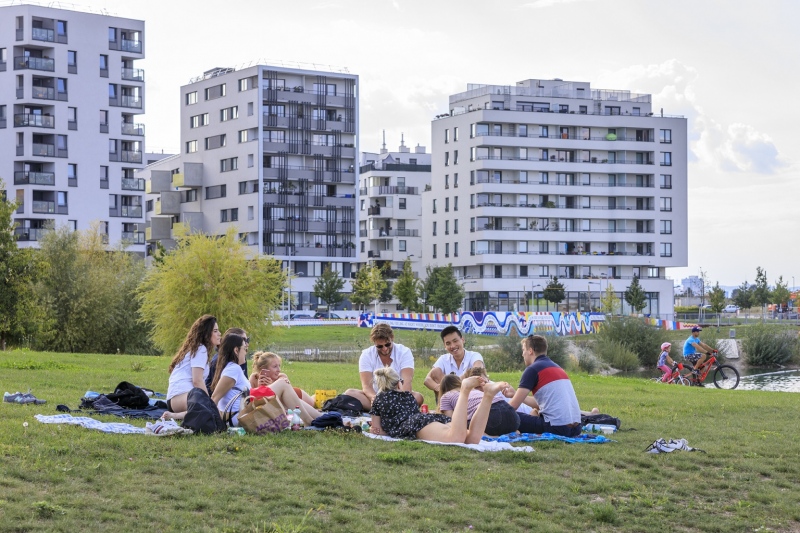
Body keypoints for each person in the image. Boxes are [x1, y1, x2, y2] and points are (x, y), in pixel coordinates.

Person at [370, 367, 507, 444]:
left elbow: (376, 429)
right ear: (398, 383)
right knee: (471, 439)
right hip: (427, 419)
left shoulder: (379, 399)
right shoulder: (408, 395)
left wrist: (381, 429)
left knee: (454, 439)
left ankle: (465, 389)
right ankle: (487, 396)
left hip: (414, 425)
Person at [504, 335, 582, 437]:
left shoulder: (532, 369)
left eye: (523, 350)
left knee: (507, 417)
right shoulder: (557, 368)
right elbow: (542, 403)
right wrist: (515, 394)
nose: (523, 354)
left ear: (530, 351)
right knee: (535, 411)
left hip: (557, 428)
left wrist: (493, 411)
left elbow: (512, 407)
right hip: (576, 429)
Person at [344, 323, 422, 410]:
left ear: (392, 337)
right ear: (374, 343)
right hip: (377, 396)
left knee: (418, 397)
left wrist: (400, 400)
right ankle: (389, 409)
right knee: (350, 393)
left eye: (387, 344)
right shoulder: (366, 354)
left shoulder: (404, 352)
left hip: (398, 397)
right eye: (380, 346)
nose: (384, 349)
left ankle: (382, 410)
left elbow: (407, 382)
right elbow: (366, 386)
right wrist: (374, 398)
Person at [163, 315, 221, 419]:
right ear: (207, 333)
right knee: (209, 409)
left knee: (210, 408)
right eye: (215, 331)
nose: (219, 334)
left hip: (176, 399)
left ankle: (178, 414)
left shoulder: (197, 348)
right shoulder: (201, 349)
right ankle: (175, 416)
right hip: (180, 398)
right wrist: (210, 403)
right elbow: (197, 381)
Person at [437, 369, 520, 437]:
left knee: (462, 425)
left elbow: (451, 420)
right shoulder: (473, 390)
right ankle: (510, 431)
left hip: (492, 417)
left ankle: (489, 436)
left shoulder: (446, 396)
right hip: (513, 417)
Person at [423, 325, 484, 399]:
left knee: (475, 374)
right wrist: (439, 388)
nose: (452, 346)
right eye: (448, 343)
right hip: (450, 397)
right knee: (436, 371)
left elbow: (478, 371)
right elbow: (427, 380)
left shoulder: (474, 356)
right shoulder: (443, 359)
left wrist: (453, 385)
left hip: (470, 396)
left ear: (462, 340)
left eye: (455, 341)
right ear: (445, 346)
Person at [209, 333, 250, 426]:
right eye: (244, 349)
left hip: (237, 416)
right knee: (281, 385)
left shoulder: (231, 368)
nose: (246, 352)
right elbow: (214, 398)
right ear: (236, 350)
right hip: (236, 418)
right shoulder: (233, 369)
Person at [249, 351, 315, 408]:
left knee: (313, 403)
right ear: (263, 368)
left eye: (279, 366)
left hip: (297, 395)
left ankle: (317, 396)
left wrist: (271, 387)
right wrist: (260, 388)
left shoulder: (282, 377)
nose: (279, 370)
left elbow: (286, 401)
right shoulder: (254, 378)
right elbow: (250, 400)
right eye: (275, 366)